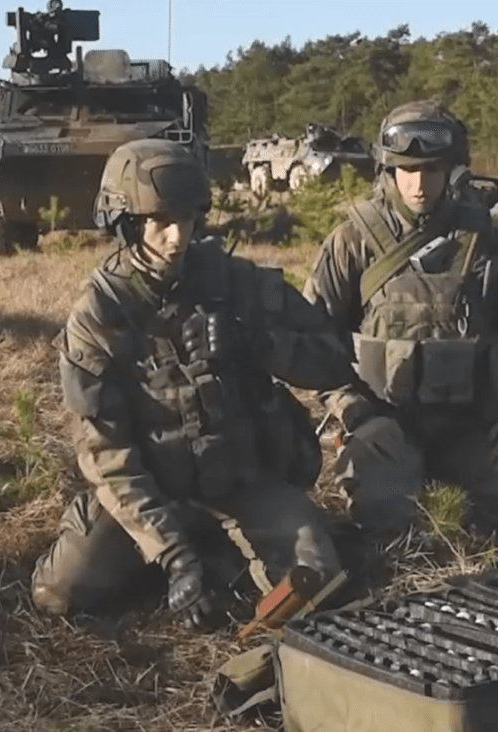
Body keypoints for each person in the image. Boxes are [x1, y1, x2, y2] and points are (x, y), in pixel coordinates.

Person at [32, 138, 358, 629]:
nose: (176, 237)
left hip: (242, 481)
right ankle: (178, 552)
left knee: (318, 582)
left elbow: (332, 362)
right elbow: (108, 455)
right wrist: (172, 555)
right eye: (160, 222)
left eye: (186, 219)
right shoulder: (99, 317)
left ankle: (218, 554)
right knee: (58, 594)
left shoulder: (240, 283)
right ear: (126, 223)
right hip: (152, 491)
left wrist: (255, 342)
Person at [301, 100, 498, 555]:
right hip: (386, 427)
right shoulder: (354, 240)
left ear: (451, 170)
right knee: (385, 524)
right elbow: (311, 338)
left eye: (431, 170)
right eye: (407, 170)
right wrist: (358, 414)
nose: (418, 184)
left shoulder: (483, 242)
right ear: (388, 170)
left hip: (469, 427)